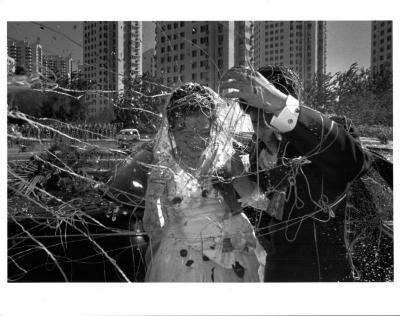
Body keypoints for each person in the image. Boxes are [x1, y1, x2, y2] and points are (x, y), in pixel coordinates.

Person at [220, 65, 371, 282]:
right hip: (278, 271)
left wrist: (281, 105)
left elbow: (352, 163)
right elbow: (273, 209)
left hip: (326, 274)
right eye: (256, 122)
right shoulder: (256, 151)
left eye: (271, 117)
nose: (264, 130)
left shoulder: (331, 129)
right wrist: (240, 181)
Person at [104, 82, 266, 282]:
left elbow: (257, 200)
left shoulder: (226, 159)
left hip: (229, 251)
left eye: (203, 131)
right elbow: (153, 219)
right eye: (184, 130)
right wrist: (164, 242)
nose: (194, 140)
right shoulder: (164, 166)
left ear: (213, 128)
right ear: (171, 131)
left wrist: (240, 187)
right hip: (179, 258)